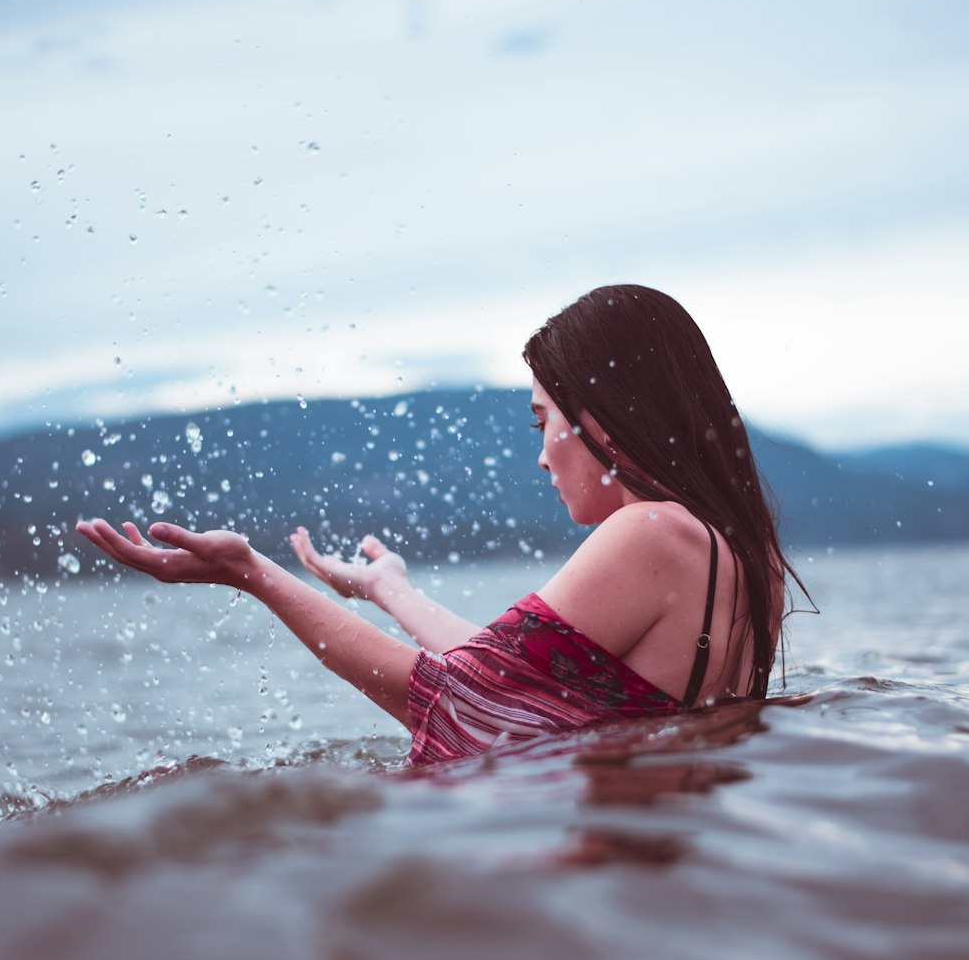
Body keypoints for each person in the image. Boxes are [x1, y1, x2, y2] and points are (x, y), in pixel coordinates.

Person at [76, 285, 801, 766]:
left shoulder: (649, 533)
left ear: (599, 421)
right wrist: (388, 589)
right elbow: (515, 687)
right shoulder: (740, 551)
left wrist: (250, 574)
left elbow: (456, 700)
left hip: (581, 889)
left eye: (542, 420)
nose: (542, 455)